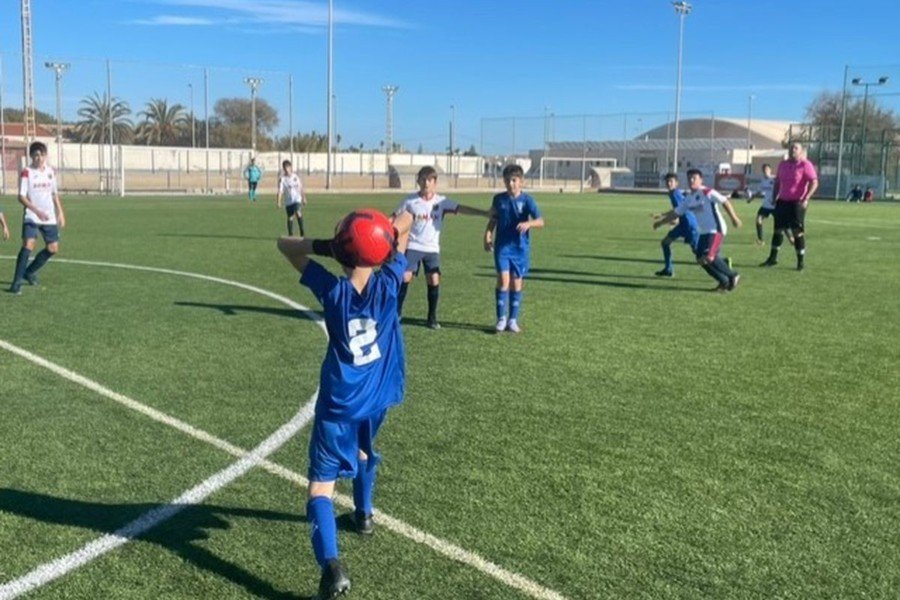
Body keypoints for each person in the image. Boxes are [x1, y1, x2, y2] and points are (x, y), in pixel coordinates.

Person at [278, 209, 413, 600]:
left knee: (320, 489)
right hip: (379, 395)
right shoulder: (389, 282)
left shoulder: (333, 291)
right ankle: (364, 515)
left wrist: (328, 246)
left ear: (341, 252)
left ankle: (331, 566)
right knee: (365, 450)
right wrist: (382, 235)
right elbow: (405, 221)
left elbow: (284, 245)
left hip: (340, 403)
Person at [392, 166, 489, 329]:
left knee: (434, 279)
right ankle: (396, 314)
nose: (426, 183)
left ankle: (432, 318)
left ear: (435, 183)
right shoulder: (409, 201)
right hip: (413, 245)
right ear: (418, 181)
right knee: (405, 277)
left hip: (432, 249)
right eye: (423, 180)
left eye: (429, 180)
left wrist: (483, 213)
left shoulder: (441, 202)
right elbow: (394, 217)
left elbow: (461, 208)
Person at [653, 168, 742, 292]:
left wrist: (734, 218)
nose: (691, 180)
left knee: (709, 257)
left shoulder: (707, 192)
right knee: (700, 260)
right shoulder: (689, 198)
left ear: (701, 180)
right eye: (689, 178)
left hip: (716, 229)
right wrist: (661, 222)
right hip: (704, 232)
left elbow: (725, 201)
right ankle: (724, 282)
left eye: (694, 178)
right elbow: (676, 213)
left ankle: (733, 275)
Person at [484, 164, 544, 333]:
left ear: (521, 181)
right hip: (502, 247)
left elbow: (541, 221)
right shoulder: (498, 199)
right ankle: (501, 319)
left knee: (516, 283)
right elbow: (493, 220)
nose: (510, 184)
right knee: (503, 281)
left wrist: (529, 223)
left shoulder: (527, 200)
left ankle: (512, 320)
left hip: (520, 248)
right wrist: (487, 235)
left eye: (514, 180)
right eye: (507, 181)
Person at [9, 141, 66, 295]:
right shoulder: (27, 172)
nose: (39, 158)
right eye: (35, 155)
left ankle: (29, 272)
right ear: (31, 156)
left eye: (41, 155)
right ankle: (16, 282)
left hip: (49, 216)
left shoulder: (50, 172)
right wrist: (36, 210)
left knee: (53, 248)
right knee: (28, 244)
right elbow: (21, 197)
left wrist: (60, 212)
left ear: (45, 156)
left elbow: (54, 194)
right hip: (32, 215)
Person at [761, 141, 818, 271]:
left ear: (801, 151)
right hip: (782, 201)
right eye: (791, 147)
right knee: (778, 230)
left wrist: (806, 198)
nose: (793, 150)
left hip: (797, 202)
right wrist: (774, 197)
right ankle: (772, 258)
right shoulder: (783, 164)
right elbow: (777, 182)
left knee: (797, 232)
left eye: (796, 148)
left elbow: (814, 182)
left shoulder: (805, 165)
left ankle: (800, 262)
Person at [653, 172, 699, 277]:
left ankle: (723, 263)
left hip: (689, 225)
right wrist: (662, 215)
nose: (668, 183)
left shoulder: (675, 194)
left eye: (671, 181)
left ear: (676, 183)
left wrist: (660, 223)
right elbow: (677, 210)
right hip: (683, 225)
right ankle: (668, 269)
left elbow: (677, 213)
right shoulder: (674, 193)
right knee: (665, 243)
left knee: (700, 254)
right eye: (667, 181)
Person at [747, 163, 777, 245]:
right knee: (758, 219)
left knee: (781, 224)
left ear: (770, 170)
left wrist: (777, 199)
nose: (765, 171)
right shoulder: (763, 181)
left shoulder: (775, 179)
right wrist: (751, 199)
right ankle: (761, 240)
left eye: (767, 169)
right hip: (766, 205)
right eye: (764, 170)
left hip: (775, 205)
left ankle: (791, 239)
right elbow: (759, 192)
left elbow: (781, 189)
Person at [276, 160, 308, 236]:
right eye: (285, 168)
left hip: (297, 199)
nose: (286, 170)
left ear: (290, 167)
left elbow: (300, 188)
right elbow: (280, 191)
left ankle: (302, 231)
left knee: (298, 212)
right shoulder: (282, 179)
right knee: (290, 217)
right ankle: (290, 234)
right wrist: (278, 202)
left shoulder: (295, 177)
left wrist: (304, 198)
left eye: (287, 167)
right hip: (288, 201)